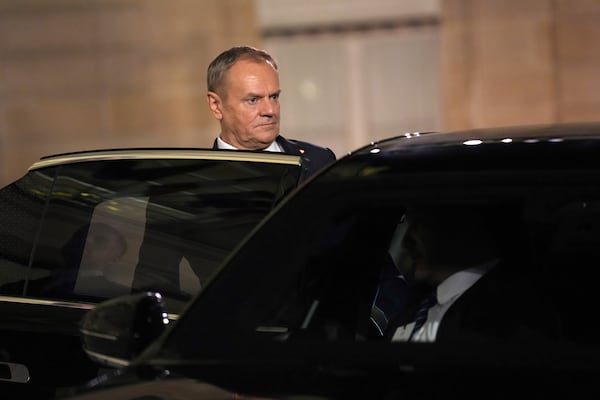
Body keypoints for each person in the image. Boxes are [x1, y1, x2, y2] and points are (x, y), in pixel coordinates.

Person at [387, 204, 562, 343]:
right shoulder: (410, 306)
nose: (405, 243)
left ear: (461, 224)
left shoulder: (513, 312)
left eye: (419, 224)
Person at [206, 45, 336, 179]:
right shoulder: (197, 178)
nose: (270, 110)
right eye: (253, 100)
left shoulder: (320, 162)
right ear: (216, 105)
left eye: (274, 97)